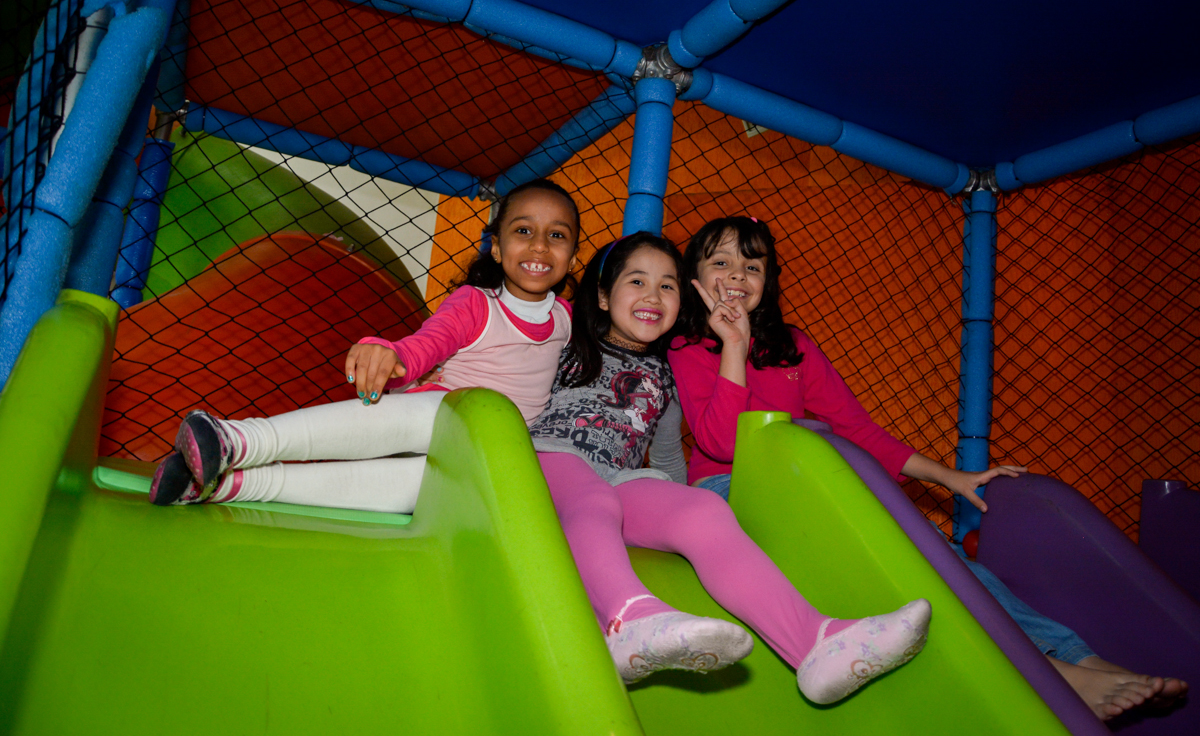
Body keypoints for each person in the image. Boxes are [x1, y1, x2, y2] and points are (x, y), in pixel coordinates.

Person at [669, 215, 1188, 720]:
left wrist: (949, 477)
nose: (738, 274)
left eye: (753, 265)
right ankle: (1055, 670)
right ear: (695, 280)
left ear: (768, 282)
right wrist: (732, 346)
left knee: (936, 551)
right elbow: (720, 442)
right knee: (894, 544)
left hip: (805, 492)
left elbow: (858, 430)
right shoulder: (689, 346)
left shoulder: (794, 348)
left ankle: (1075, 659)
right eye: (721, 262)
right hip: (729, 493)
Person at [527, 231, 931, 703]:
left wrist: (673, 513)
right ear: (602, 294)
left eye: (668, 286)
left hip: (618, 478)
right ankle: (627, 618)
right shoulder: (564, 338)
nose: (653, 296)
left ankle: (815, 644)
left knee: (703, 510)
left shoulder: (665, 370)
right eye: (636, 281)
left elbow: (666, 455)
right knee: (594, 497)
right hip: (547, 462)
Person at [147, 178, 579, 513]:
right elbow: (428, 342)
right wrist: (393, 355)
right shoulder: (477, 305)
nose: (540, 245)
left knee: (414, 491)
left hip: (487, 459)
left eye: (557, 236)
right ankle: (238, 440)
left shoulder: (565, 320)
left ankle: (227, 485)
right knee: (438, 413)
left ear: (574, 255)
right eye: (524, 231)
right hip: (436, 421)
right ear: (498, 249)